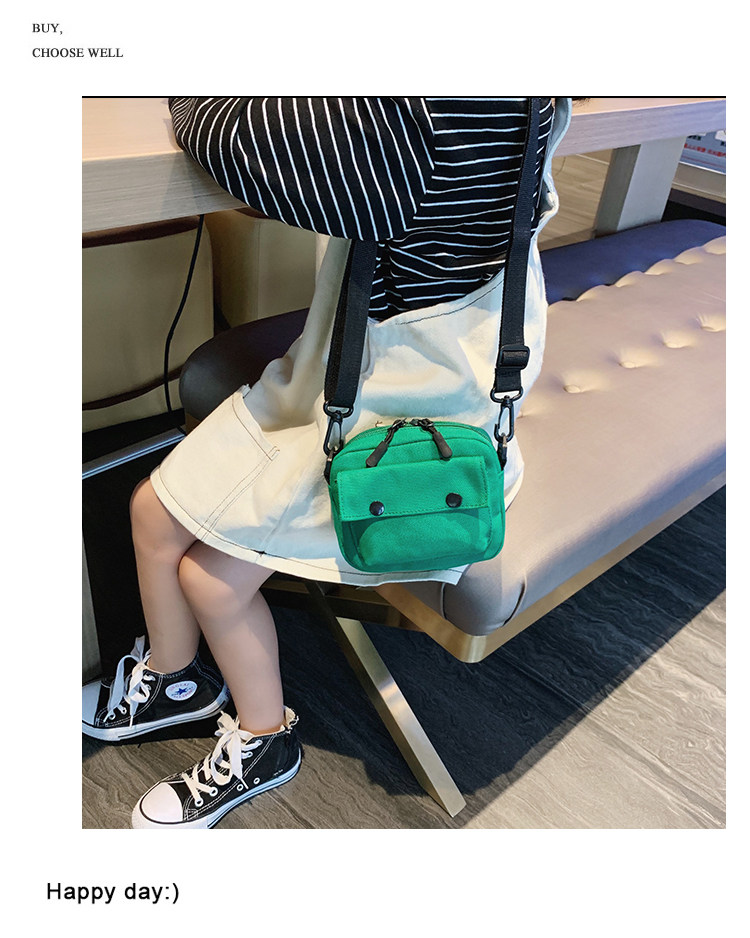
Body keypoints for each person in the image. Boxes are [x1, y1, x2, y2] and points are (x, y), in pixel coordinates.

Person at [82, 97, 572, 829]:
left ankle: (264, 738)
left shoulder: (412, 114)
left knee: (210, 580)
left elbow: (221, 128)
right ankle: (173, 679)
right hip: (367, 372)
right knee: (152, 511)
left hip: (390, 420)